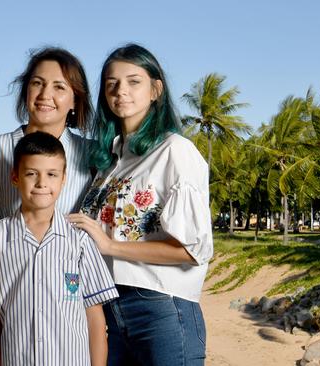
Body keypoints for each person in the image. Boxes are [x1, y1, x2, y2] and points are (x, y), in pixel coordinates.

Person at [67, 44, 213, 366]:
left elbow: (192, 251)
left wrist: (110, 246)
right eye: (112, 84)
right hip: (110, 307)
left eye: (134, 81)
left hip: (160, 307)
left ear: (155, 90)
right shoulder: (109, 162)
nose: (121, 91)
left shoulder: (176, 151)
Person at [0, 131, 118, 366]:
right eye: (31, 173)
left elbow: (94, 319)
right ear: (15, 177)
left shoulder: (80, 240)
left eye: (52, 174)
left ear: (64, 179)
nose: (42, 183)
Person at [0, 47, 93, 224]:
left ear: (75, 100)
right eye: (37, 83)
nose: (45, 95)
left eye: (59, 87)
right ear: (26, 91)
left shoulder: (92, 154)